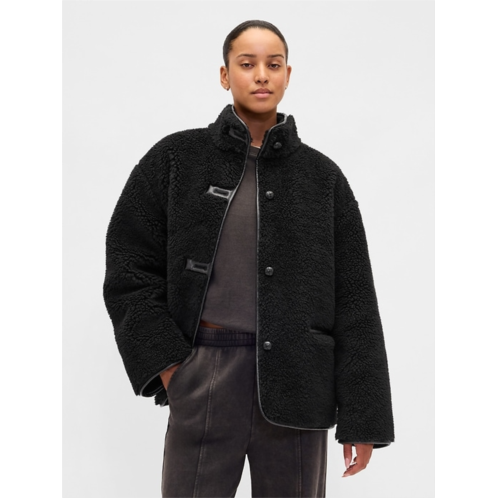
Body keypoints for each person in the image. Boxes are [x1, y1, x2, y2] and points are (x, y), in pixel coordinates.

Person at [103, 20, 395, 498]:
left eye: (273, 64)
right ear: (225, 75)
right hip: (203, 373)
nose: (261, 74)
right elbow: (128, 266)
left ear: (287, 75)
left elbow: (356, 300)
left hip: (299, 383)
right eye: (247, 63)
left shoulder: (323, 178)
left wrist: (363, 417)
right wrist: (171, 367)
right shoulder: (175, 158)